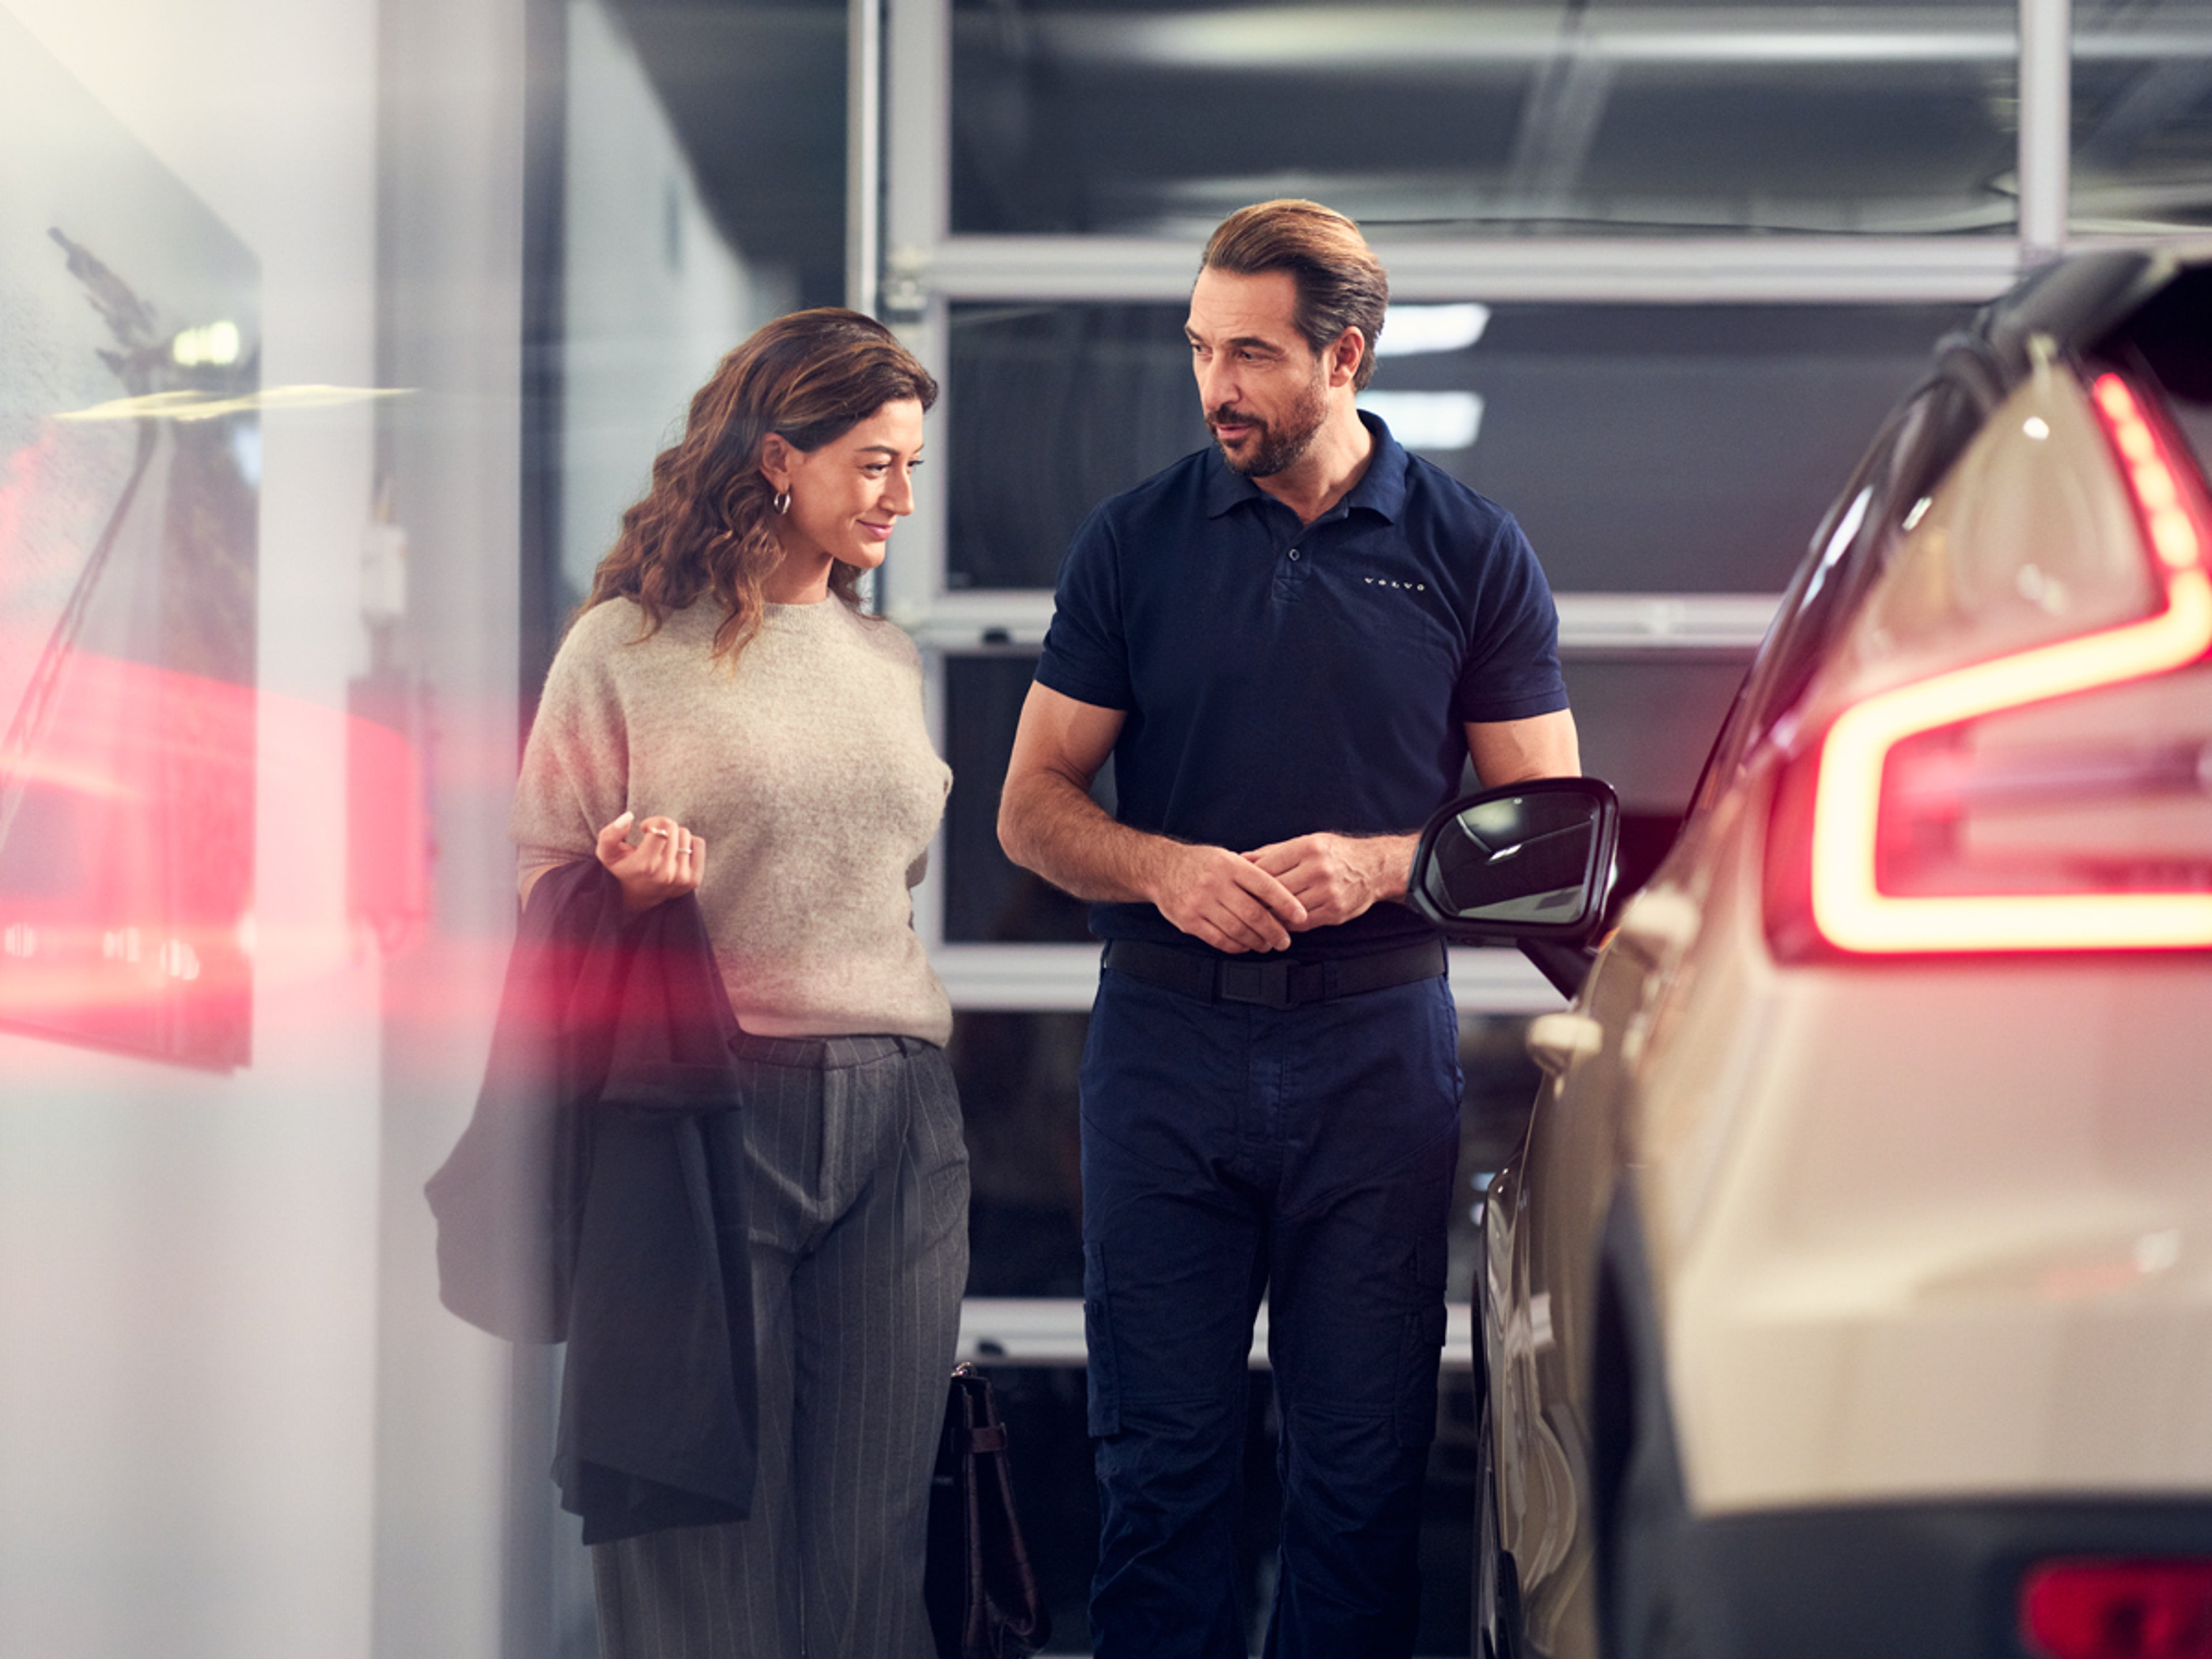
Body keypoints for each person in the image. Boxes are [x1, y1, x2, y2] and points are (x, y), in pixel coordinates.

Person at [998, 200, 1580, 1658]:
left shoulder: (1470, 550)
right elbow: (1032, 809)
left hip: (1376, 1058)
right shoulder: (1134, 541)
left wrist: (1391, 862)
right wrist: (1162, 869)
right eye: (1201, 350)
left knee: (1360, 1488)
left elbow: (1552, 839)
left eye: (1250, 355)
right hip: (1166, 1049)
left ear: (1346, 358)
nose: (1216, 388)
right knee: (1162, 1482)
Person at [509, 308, 966, 1659]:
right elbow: (538, 874)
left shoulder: (888, 662)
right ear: (780, 458)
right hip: (702, 1114)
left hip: (901, 1120)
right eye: (874, 463)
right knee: (694, 1544)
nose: (899, 496)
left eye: (914, 467)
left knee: (870, 1555)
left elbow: (884, 879)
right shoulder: (626, 646)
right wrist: (625, 888)